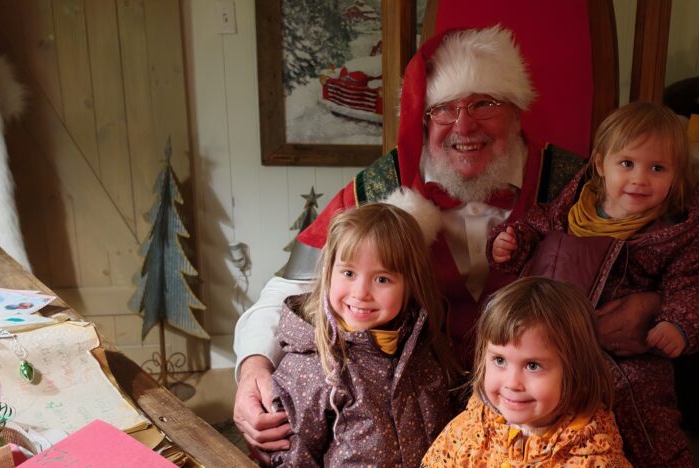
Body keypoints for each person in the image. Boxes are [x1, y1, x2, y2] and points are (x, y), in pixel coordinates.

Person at [233, 25, 662, 462]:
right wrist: (253, 368)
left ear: (516, 111)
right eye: (443, 109)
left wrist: (656, 305)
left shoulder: (580, 186)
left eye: (484, 103)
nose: (464, 125)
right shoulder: (379, 189)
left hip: (542, 425)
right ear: (424, 118)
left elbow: (675, 257)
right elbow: (286, 293)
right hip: (402, 427)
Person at [489, 101, 699, 466]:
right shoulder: (572, 208)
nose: (640, 179)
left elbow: (698, 282)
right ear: (600, 164)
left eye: (657, 168)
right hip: (550, 333)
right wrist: (511, 244)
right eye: (627, 163)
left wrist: (679, 323)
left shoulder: (677, 231)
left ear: (676, 177)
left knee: (644, 414)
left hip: (623, 352)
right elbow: (534, 229)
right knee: (503, 391)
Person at [268, 204, 460, 466]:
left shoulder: (426, 347)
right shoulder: (312, 367)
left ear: (410, 283)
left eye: (382, 279)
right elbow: (294, 457)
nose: (361, 293)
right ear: (329, 272)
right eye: (348, 273)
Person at [422, 277, 631, 466]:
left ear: (576, 371)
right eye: (500, 360)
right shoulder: (474, 425)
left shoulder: (593, 453)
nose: (512, 383)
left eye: (533, 366)